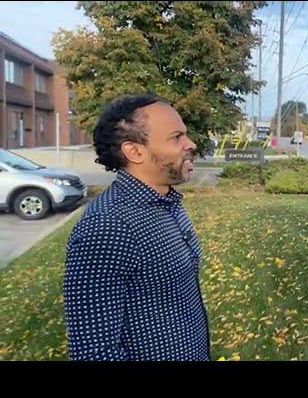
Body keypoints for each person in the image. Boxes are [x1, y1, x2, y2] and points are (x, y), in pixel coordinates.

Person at [63, 93, 211, 361]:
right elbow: (94, 353)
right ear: (134, 151)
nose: (190, 144)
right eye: (176, 137)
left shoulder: (167, 202)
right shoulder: (106, 226)